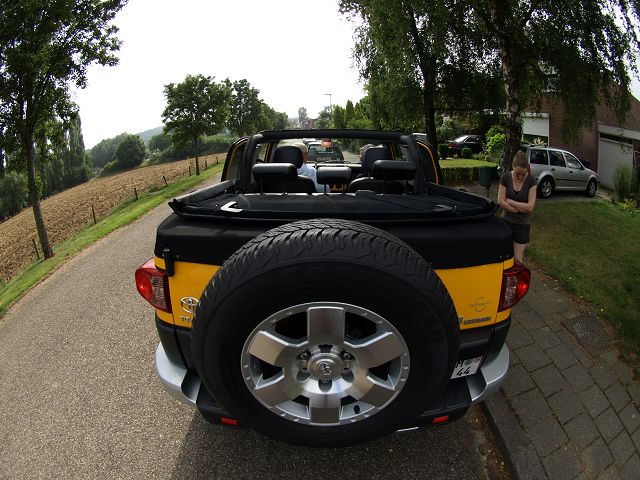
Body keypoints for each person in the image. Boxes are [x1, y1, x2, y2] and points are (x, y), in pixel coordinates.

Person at [498, 151, 537, 262]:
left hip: (522, 225)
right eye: (517, 173)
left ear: (527, 169)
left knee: (517, 259)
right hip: (506, 222)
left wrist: (511, 202)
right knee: (502, 256)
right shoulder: (505, 178)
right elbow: (501, 201)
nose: (520, 176)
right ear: (513, 167)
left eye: (523, 174)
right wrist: (519, 209)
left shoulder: (531, 181)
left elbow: (530, 207)